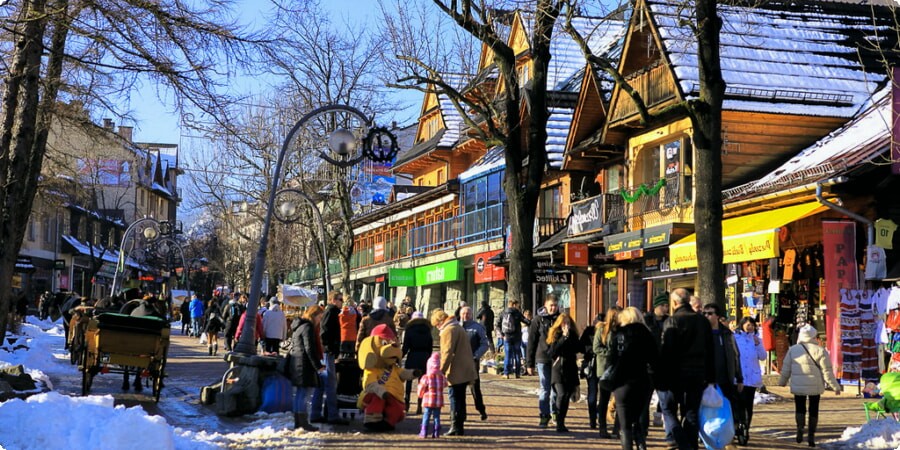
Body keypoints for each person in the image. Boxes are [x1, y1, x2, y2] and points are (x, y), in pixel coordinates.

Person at [658, 288, 714, 450]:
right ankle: (690, 445)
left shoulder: (673, 321)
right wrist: (710, 376)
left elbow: (667, 351)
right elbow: (710, 350)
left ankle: (683, 443)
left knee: (669, 409)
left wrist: (662, 376)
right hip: (698, 373)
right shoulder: (702, 321)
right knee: (691, 411)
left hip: (676, 373)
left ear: (675, 303)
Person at [778, 324, 841, 448]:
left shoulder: (793, 350)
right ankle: (811, 435)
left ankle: (800, 428)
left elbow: (786, 368)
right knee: (814, 409)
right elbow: (827, 371)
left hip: (798, 384)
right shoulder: (820, 350)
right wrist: (835, 386)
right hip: (815, 384)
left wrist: (782, 382)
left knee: (800, 408)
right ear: (814, 336)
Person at [606, 306, 658, 450]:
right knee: (638, 418)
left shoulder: (619, 335)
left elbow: (611, 359)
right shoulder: (647, 334)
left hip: (622, 383)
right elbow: (655, 359)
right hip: (642, 381)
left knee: (625, 424)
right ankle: (641, 444)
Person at [431, 308, 477, 436]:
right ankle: (459, 424)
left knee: (454, 398)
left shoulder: (449, 330)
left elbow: (447, 353)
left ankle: (455, 425)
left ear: (440, 321)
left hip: (456, 370)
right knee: (461, 397)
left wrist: (440, 371)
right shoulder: (457, 327)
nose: (437, 328)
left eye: (436, 325)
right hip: (464, 368)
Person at [702, 303, 743, 435]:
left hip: (725, 377)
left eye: (710, 313)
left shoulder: (726, 334)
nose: (706, 316)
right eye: (704, 313)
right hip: (706, 378)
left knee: (727, 406)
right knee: (707, 407)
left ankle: (729, 431)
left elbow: (736, 356)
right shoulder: (701, 333)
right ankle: (706, 431)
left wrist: (739, 377)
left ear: (717, 316)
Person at [312, 291, 349, 425]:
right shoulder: (331, 312)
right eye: (340, 299)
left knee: (321, 384)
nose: (342, 302)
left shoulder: (330, 312)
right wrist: (330, 348)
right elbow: (324, 333)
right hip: (327, 352)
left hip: (325, 352)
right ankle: (332, 415)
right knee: (330, 384)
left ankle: (315, 413)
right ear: (333, 300)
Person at [526, 294, 561, 428]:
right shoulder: (537, 320)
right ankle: (544, 415)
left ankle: (555, 413)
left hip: (557, 359)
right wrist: (529, 363)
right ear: (545, 306)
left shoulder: (560, 319)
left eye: (555, 305)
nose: (553, 308)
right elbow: (531, 342)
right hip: (542, 358)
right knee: (545, 388)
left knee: (555, 389)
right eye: (551, 305)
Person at [289, 305, 325, 431]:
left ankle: (298, 422)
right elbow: (309, 348)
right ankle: (303, 422)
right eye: (319, 317)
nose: (320, 320)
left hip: (297, 362)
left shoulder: (299, 326)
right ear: (314, 315)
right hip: (305, 364)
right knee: (304, 394)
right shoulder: (308, 327)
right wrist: (318, 366)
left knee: (300, 393)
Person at [734, 317, 767, 445]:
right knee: (738, 404)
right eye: (748, 325)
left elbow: (763, 356)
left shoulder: (757, 340)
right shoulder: (735, 338)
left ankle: (746, 428)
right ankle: (738, 427)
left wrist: (758, 344)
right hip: (739, 377)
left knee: (748, 406)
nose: (750, 327)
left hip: (752, 377)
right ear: (742, 325)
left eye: (752, 325)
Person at [546, 312, 580, 432]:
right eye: (564, 323)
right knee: (561, 394)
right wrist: (564, 338)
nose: (566, 325)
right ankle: (559, 422)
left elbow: (577, 348)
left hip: (570, 370)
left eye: (568, 323)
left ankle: (561, 420)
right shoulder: (555, 334)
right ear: (560, 324)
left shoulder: (573, 335)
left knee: (566, 396)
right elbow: (552, 352)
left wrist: (570, 337)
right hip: (558, 370)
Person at [594, 307, 621, 439]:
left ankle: (617, 428)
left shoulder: (622, 330)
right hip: (605, 368)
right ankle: (602, 427)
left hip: (619, 368)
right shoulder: (602, 330)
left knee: (619, 398)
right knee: (604, 399)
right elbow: (596, 347)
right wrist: (610, 353)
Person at [460, 306, 489, 421]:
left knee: (475, 387)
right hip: (459, 362)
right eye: (463, 313)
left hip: (472, 362)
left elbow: (484, 344)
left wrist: (476, 356)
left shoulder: (477, 328)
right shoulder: (457, 327)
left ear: (471, 314)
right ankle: (461, 413)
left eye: (467, 313)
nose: (465, 316)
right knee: (459, 388)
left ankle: (481, 409)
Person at [403, 311, 433, 415]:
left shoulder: (409, 330)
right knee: (422, 382)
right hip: (424, 356)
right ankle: (419, 404)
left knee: (409, 381)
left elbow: (405, 346)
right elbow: (430, 346)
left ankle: (406, 403)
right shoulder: (428, 330)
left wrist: (400, 356)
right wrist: (428, 357)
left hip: (413, 356)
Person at [495, 299, 529, 379]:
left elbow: (497, 324)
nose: (518, 307)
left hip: (507, 336)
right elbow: (525, 321)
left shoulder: (503, 312)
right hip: (517, 336)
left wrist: (502, 334)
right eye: (517, 305)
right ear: (514, 305)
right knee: (517, 354)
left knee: (508, 355)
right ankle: (517, 374)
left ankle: (506, 373)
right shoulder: (517, 313)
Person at [417, 352, 447, 438]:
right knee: (437, 416)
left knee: (426, 415)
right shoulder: (442, 377)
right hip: (438, 401)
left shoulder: (426, 377)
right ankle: (436, 432)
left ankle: (424, 431)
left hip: (428, 401)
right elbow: (445, 384)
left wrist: (420, 395)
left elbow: (421, 388)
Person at [580, 314, 601, 430]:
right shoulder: (589, 331)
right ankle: (595, 418)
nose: (594, 321)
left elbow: (580, 346)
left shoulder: (589, 331)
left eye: (596, 320)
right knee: (595, 393)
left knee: (594, 393)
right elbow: (580, 346)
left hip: (594, 364)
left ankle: (594, 418)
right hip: (592, 365)